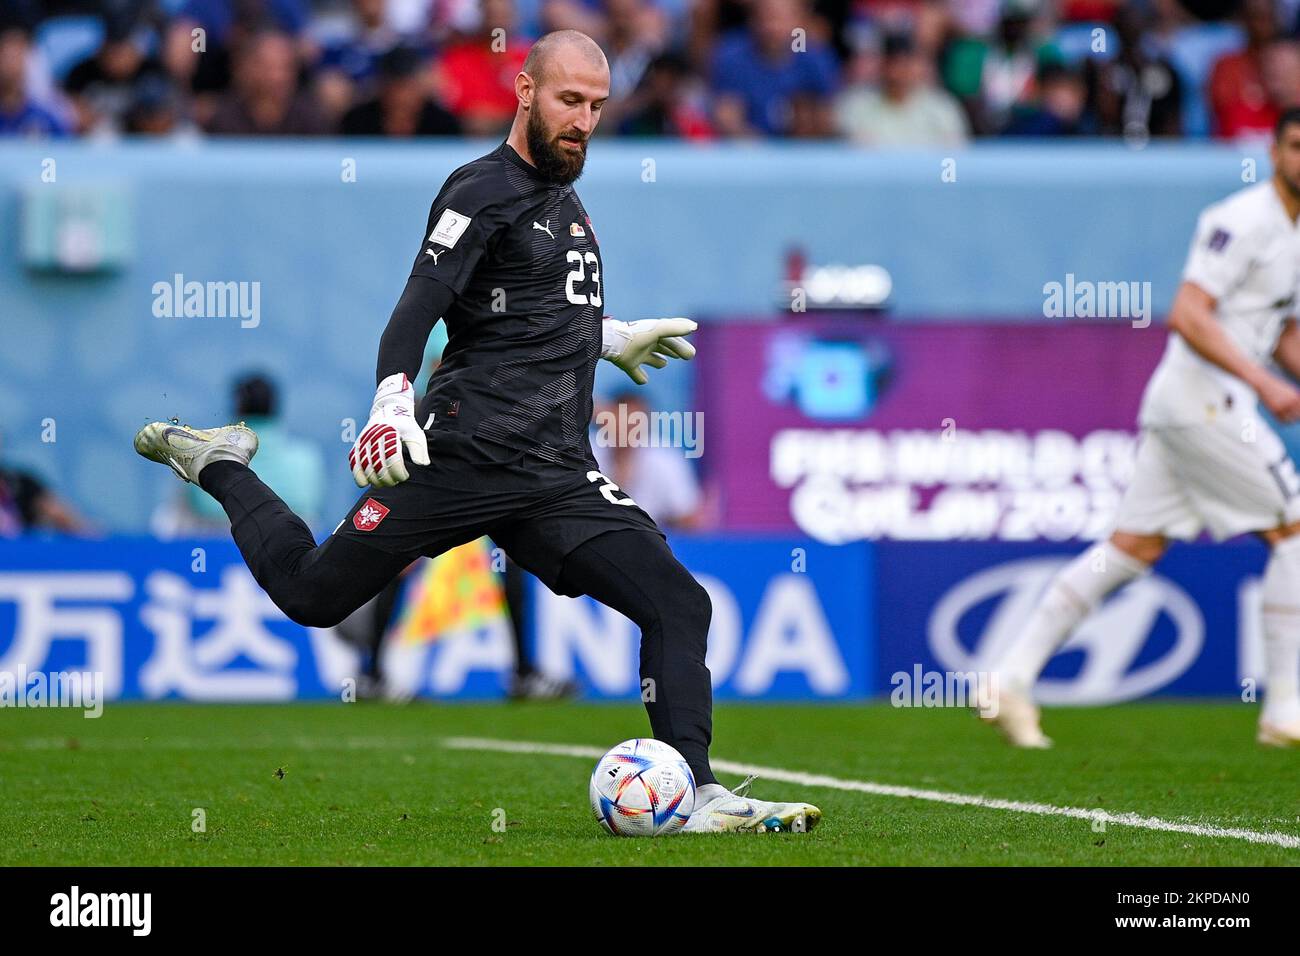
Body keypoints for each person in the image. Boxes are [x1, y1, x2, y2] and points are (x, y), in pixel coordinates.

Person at [135, 29, 820, 833]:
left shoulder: (565, 195)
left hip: (555, 474)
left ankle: (698, 795)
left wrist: (608, 333)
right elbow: (418, 307)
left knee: (678, 601)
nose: (584, 122)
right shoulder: (479, 188)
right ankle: (222, 465)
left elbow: (526, 312)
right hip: (459, 454)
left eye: (598, 106)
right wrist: (393, 401)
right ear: (525, 90)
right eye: (570, 101)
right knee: (313, 596)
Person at [985, 108, 1300, 749]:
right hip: (1205, 401)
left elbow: (1281, 330)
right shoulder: (1242, 220)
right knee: (1294, 532)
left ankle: (1007, 679)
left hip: (1195, 405)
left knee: (1134, 547)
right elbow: (1188, 314)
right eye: (1297, 145)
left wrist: (1279, 370)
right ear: (1272, 150)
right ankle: (1286, 711)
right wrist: (1265, 382)